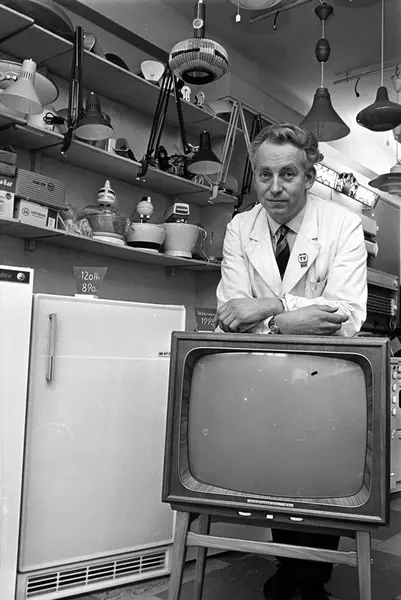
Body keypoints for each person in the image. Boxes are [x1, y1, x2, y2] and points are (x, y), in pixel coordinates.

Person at [215, 123, 367, 600]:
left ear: (309, 176)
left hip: (325, 376)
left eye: (288, 174)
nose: (275, 188)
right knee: (275, 471)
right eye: (265, 175)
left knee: (318, 474)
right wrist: (290, 319)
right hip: (262, 373)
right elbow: (231, 313)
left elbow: (346, 314)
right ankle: (289, 565)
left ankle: (313, 579)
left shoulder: (342, 224)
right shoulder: (241, 227)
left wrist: (272, 308)